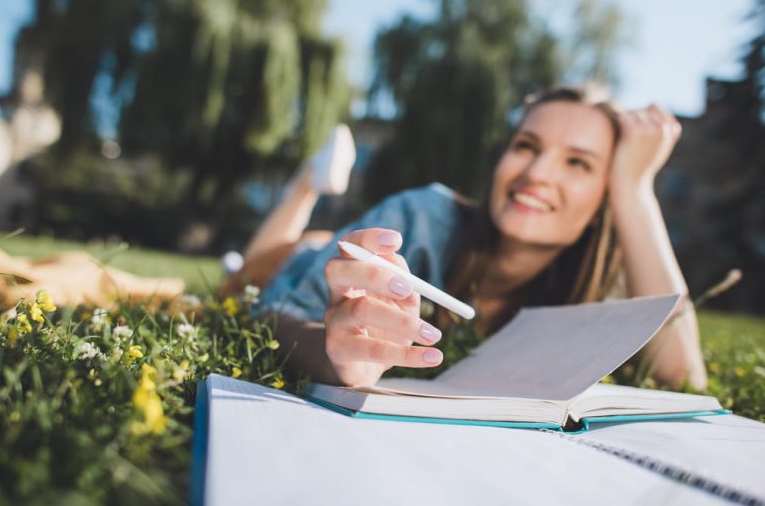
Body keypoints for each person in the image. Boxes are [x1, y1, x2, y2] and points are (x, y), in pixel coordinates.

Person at [235, 86, 708, 392]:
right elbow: (272, 311)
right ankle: (306, 183)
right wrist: (335, 357)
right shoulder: (420, 218)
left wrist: (636, 192)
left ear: (605, 205)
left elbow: (685, 377)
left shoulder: (602, 283)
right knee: (248, 273)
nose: (536, 173)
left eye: (578, 163)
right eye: (526, 146)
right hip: (299, 261)